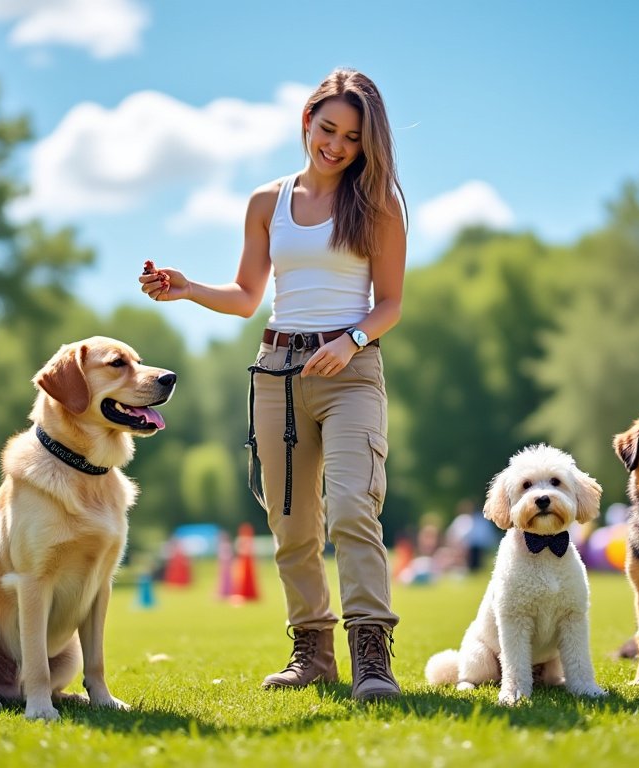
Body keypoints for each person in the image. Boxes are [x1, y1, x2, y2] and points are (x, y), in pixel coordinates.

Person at [139, 68, 407, 700]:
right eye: (327, 129)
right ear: (306, 123)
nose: (336, 145)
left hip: (350, 374)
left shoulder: (377, 205)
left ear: (368, 144)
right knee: (290, 523)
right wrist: (187, 288)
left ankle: (372, 654)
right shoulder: (267, 202)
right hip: (277, 375)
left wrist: (351, 341)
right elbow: (246, 296)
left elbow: (390, 303)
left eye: (351, 137)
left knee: (350, 506)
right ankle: (312, 651)